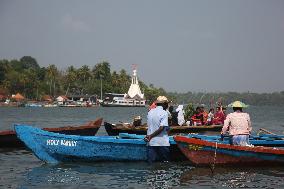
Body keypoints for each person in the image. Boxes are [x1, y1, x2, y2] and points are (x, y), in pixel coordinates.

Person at [144, 96, 170, 163]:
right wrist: (151, 136)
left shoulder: (150, 112)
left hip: (151, 142)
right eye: (167, 103)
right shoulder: (164, 113)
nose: (168, 105)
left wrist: (150, 136)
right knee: (164, 164)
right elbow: (161, 128)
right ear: (164, 104)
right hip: (162, 142)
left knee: (151, 164)